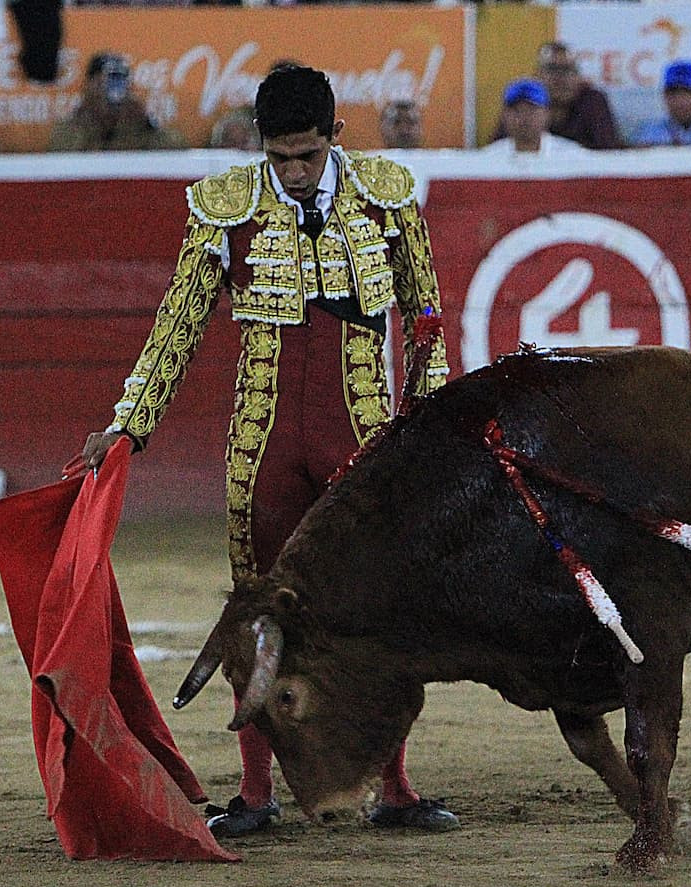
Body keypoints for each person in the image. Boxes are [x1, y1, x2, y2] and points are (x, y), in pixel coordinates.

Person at [79, 65, 457, 838]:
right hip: (264, 438)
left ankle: (395, 787)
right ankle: (255, 792)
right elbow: (177, 324)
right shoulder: (226, 208)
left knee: (375, 612)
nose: (291, 172)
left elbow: (426, 316)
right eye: (279, 157)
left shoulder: (386, 195)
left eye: (306, 156)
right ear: (262, 146)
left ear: (333, 140)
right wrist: (128, 424)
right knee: (256, 611)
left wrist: (430, 426)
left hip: (363, 436)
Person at [48, 52, 186, 151]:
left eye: (120, 79)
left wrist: (147, 123)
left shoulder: (135, 124)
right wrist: (91, 120)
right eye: (108, 79)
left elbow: (176, 148)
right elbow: (61, 155)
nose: (114, 88)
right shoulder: (72, 126)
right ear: (90, 84)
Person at [481, 79, 584, 155]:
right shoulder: (489, 157)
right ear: (504, 115)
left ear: (547, 114)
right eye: (516, 110)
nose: (523, 117)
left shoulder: (572, 155)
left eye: (532, 110)